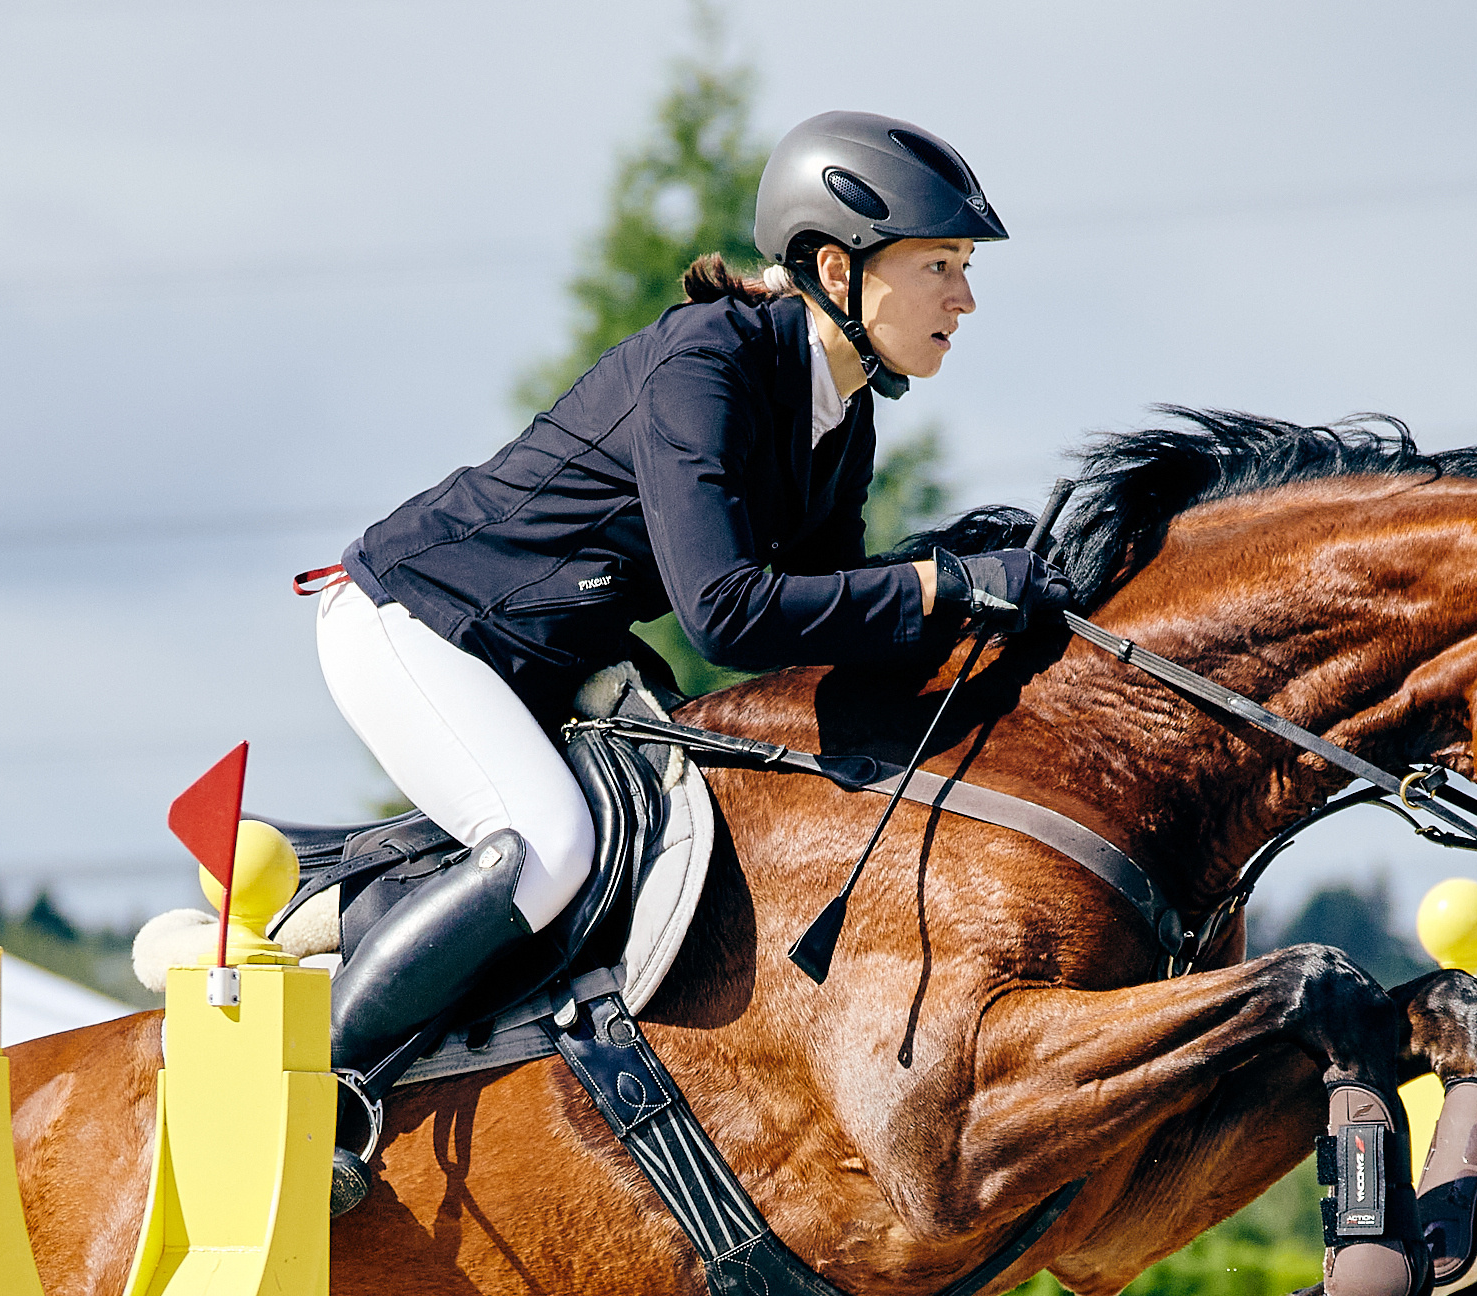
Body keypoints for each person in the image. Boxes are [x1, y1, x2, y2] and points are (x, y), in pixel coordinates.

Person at [303, 110, 1072, 1116]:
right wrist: (938, 587)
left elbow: (819, 618)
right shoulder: (705, 366)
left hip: (536, 659)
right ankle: (320, 1093)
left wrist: (963, 593)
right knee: (547, 849)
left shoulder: (840, 414)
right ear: (837, 272)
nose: (964, 299)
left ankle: (338, 907)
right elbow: (725, 614)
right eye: (940, 266)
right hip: (420, 626)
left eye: (965, 267)